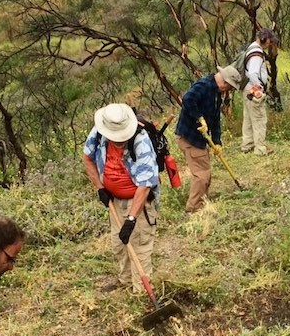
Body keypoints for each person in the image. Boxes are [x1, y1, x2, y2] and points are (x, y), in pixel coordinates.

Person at [83, 103, 160, 290]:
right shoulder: (100, 131)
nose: (118, 141)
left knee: (139, 244)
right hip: (114, 199)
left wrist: (132, 219)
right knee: (119, 243)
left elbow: (145, 184)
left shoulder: (141, 141)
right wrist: (100, 188)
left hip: (138, 201)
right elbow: (87, 157)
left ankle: (141, 291)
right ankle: (125, 281)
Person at [175, 65, 242, 213]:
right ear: (225, 82)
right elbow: (187, 99)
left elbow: (215, 119)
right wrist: (199, 118)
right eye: (230, 87)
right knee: (202, 175)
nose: (228, 91)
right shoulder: (204, 85)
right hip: (189, 137)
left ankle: (202, 201)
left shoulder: (216, 93)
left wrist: (217, 142)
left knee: (205, 172)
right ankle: (193, 209)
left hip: (200, 139)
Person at [239, 27, 279, 154]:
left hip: (247, 89)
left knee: (249, 118)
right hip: (253, 89)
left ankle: (247, 145)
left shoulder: (251, 47)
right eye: (269, 41)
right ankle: (260, 149)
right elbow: (252, 73)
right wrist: (259, 88)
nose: (269, 44)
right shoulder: (256, 53)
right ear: (263, 39)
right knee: (259, 118)